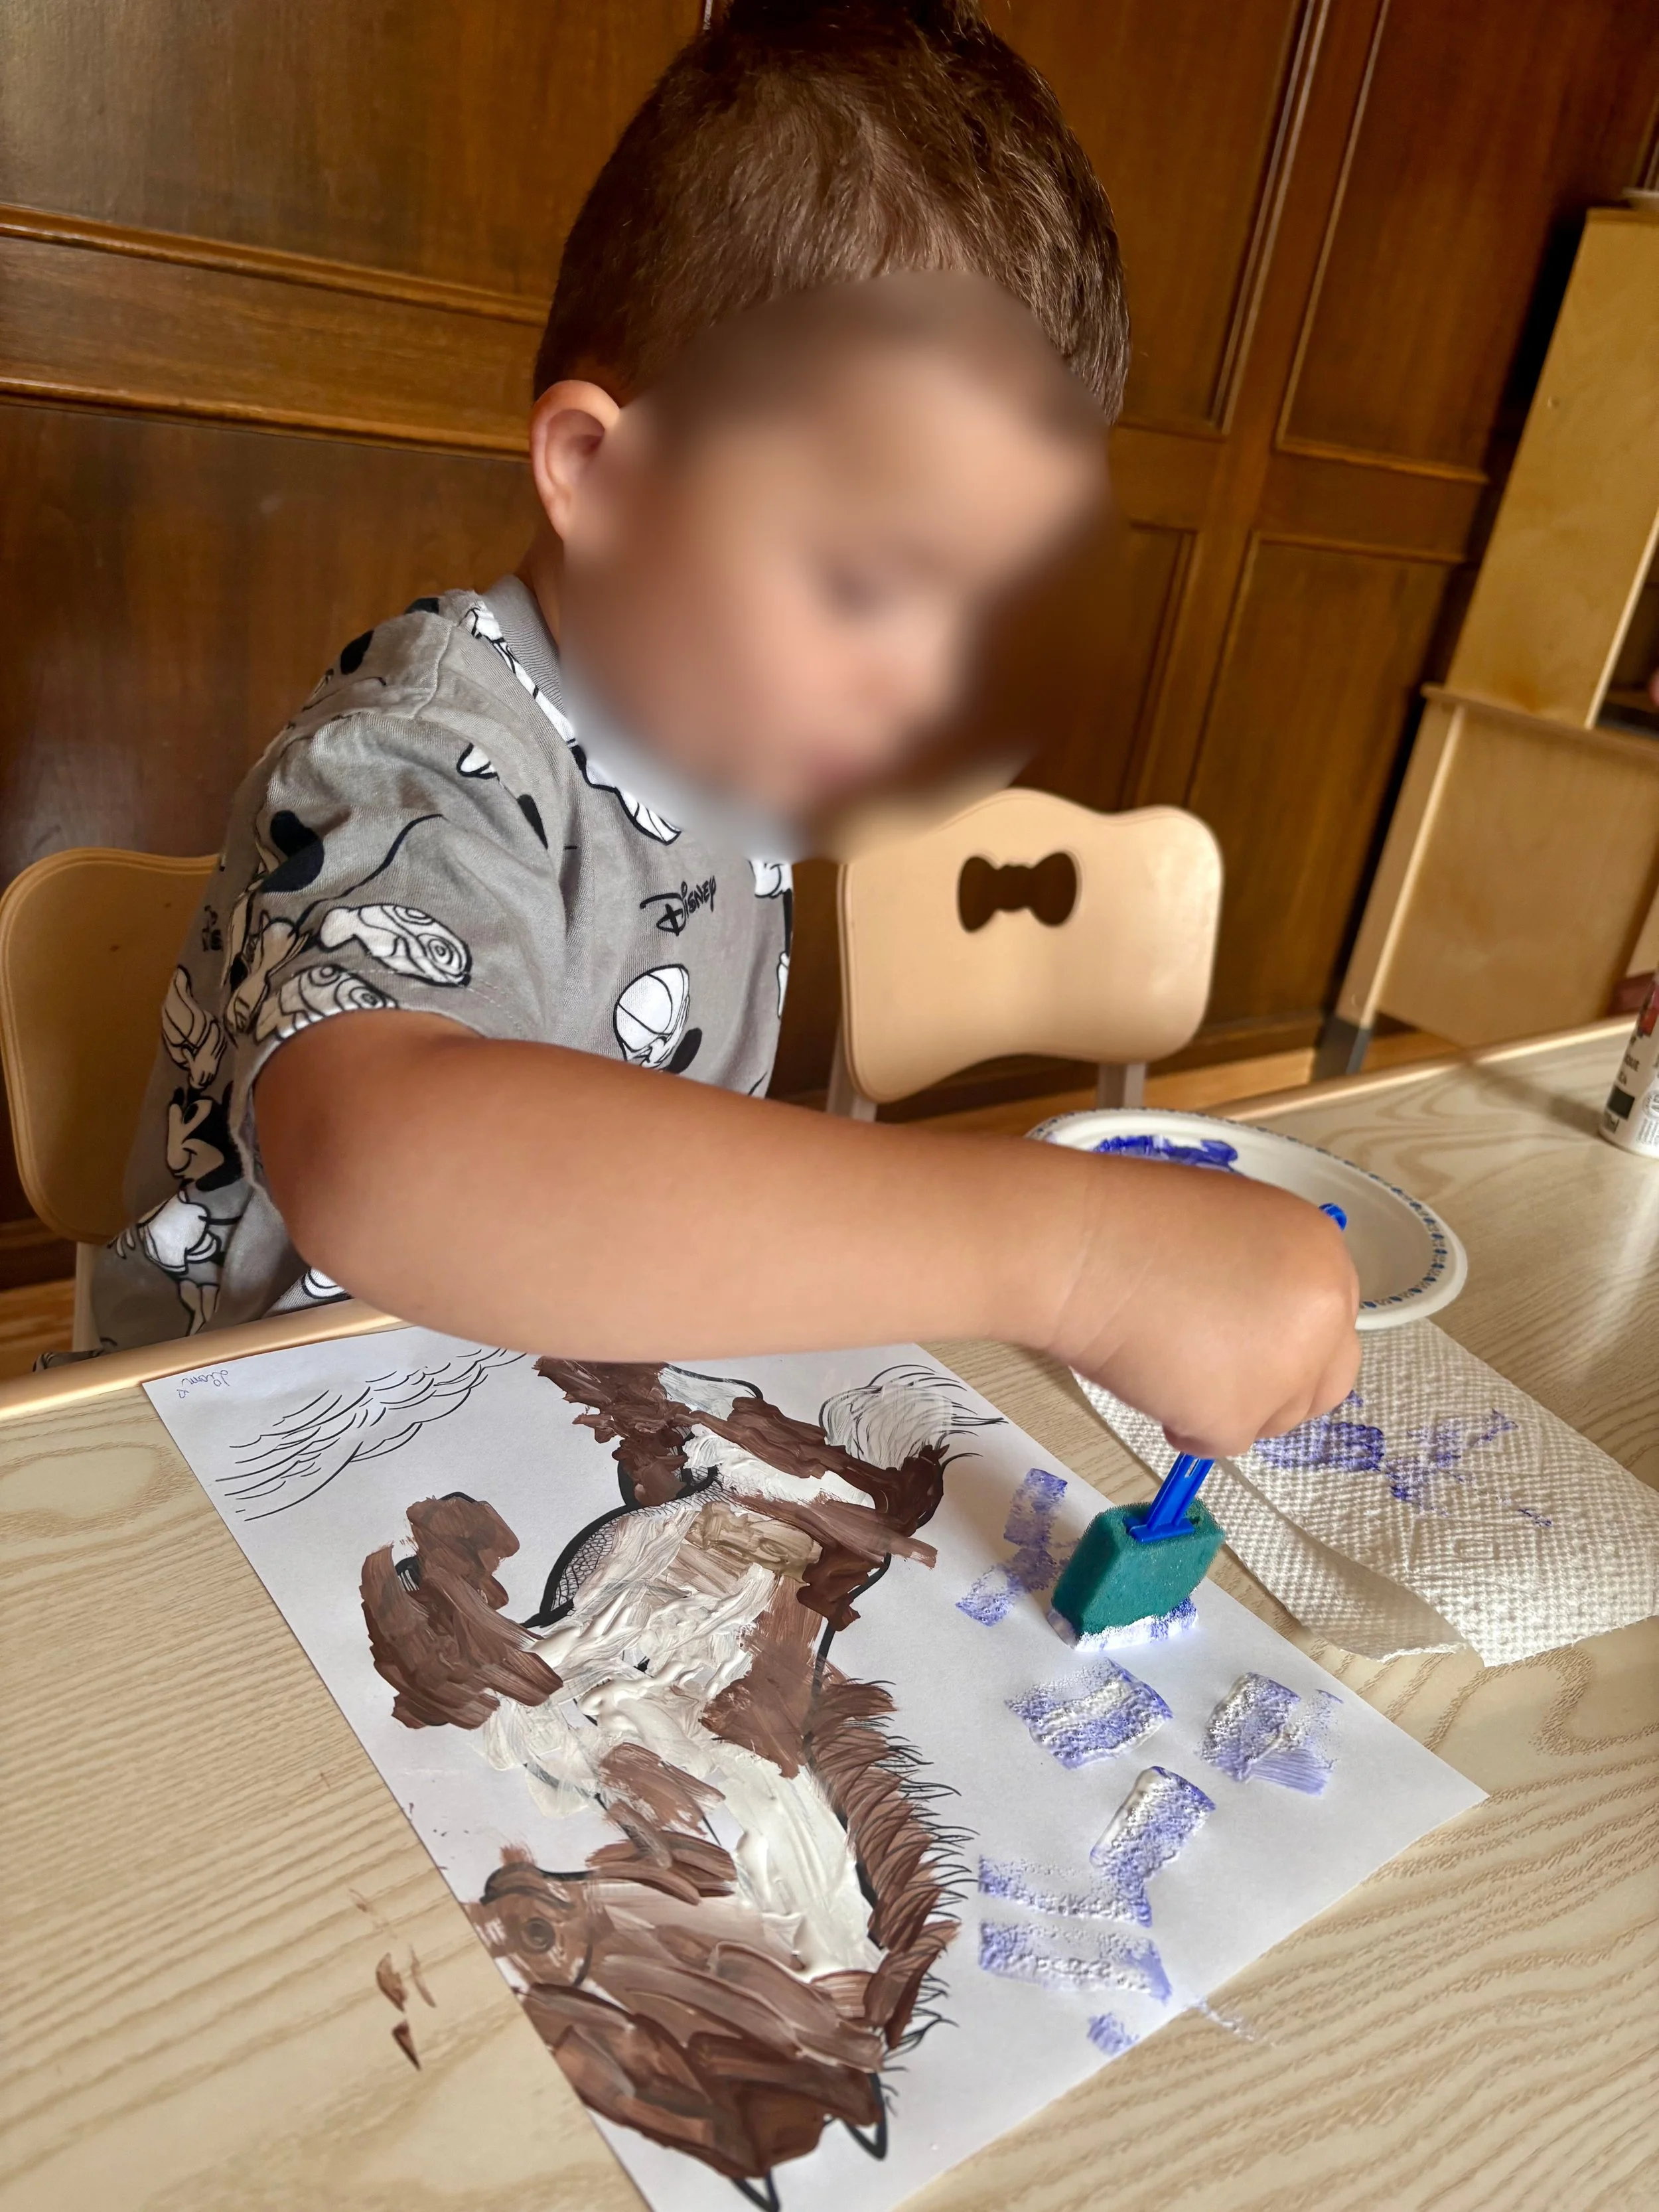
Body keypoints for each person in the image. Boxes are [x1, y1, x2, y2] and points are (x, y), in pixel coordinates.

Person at [99, 0, 1359, 1458]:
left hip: (543, 1432)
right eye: (863, 582)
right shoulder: (417, 750)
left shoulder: (731, 760)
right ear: (601, 471)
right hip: (239, 1482)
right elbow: (384, 1160)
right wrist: (1074, 1253)